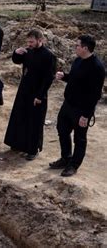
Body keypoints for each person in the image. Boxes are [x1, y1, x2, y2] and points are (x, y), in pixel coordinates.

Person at [49, 35, 105, 177]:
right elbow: (75, 79)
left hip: (82, 109)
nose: (75, 47)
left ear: (85, 48)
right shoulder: (78, 60)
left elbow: (95, 95)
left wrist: (86, 115)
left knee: (79, 138)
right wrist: (65, 77)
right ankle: (65, 158)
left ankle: (73, 165)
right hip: (68, 104)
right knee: (62, 130)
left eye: (77, 45)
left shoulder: (97, 67)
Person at [4, 29, 55, 160]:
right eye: (28, 41)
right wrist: (16, 53)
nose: (29, 44)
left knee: (34, 122)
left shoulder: (48, 56)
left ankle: (33, 149)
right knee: (20, 117)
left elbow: (48, 78)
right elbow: (16, 60)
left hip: (37, 93)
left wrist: (40, 96)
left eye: (32, 42)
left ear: (40, 40)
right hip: (24, 90)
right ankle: (17, 143)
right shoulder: (28, 51)